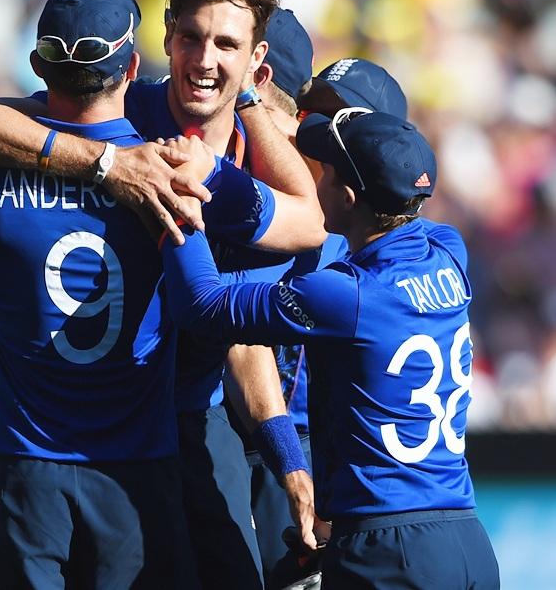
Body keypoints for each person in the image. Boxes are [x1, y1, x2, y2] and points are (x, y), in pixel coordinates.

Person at [0, 0, 323, 589]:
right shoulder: (139, 128)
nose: (203, 59)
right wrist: (109, 165)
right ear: (159, 43)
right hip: (138, 439)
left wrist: (287, 458)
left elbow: (294, 243)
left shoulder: (229, 161)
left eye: (226, 44)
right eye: (191, 38)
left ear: (257, 64)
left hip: (197, 420)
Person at [160, 109, 500, 589]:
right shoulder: (449, 250)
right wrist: (221, 165)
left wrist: (182, 197)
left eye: (325, 168)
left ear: (346, 196)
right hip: (467, 539)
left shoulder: (347, 294)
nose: (311, 175)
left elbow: (205, 308)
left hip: (387, 549)